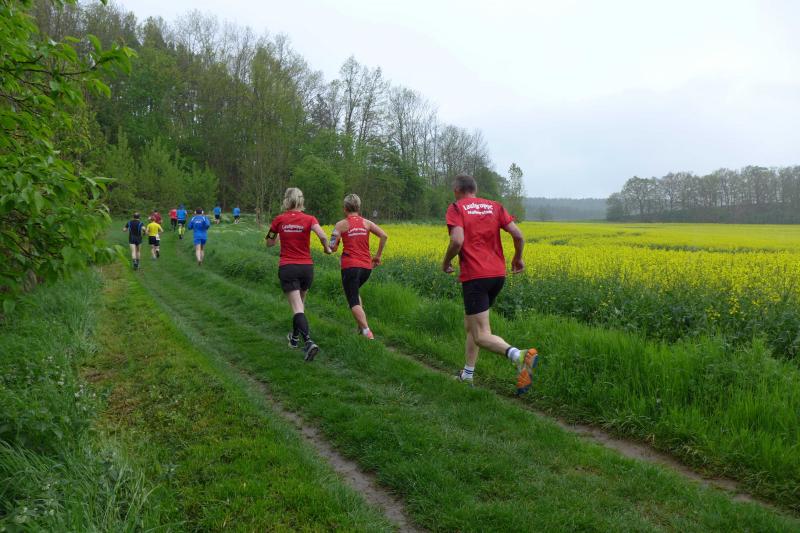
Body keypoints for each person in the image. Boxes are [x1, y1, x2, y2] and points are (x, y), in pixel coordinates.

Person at [442, 174, 540, 395]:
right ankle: (467, 374)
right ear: (474, 189)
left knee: (481, 335)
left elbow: (457, 240)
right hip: (497, 275)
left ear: (457, 190)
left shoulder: (457, 207)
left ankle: (520, 356)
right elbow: (518, 235)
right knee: (471, 326)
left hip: (475, 276)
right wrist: (518, 258)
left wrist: (446, 262)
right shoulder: (495, 206)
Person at [266, 187, 331, 362]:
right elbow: (323, 236)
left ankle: (308, 342)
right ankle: (294, 339)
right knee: (300, 306)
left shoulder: (279, 220)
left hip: (288, 268)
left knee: (297, 308)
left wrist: (280, 233)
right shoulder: (310, 219)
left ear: (286, 200)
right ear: (301, 200)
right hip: (306, 269)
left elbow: (269, 243)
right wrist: (327, 249)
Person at [329, 194, 388, 339]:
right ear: (359, 207)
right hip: (366, 268)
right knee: (354, 293)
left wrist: (331, 244)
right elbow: (384, 236)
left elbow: (332, 248)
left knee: (352, 300)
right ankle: (360, 329)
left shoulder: (340, 225)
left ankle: (367, 333)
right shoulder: (367, 223)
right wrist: (378, 256)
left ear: (345, 208)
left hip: (350, 267)